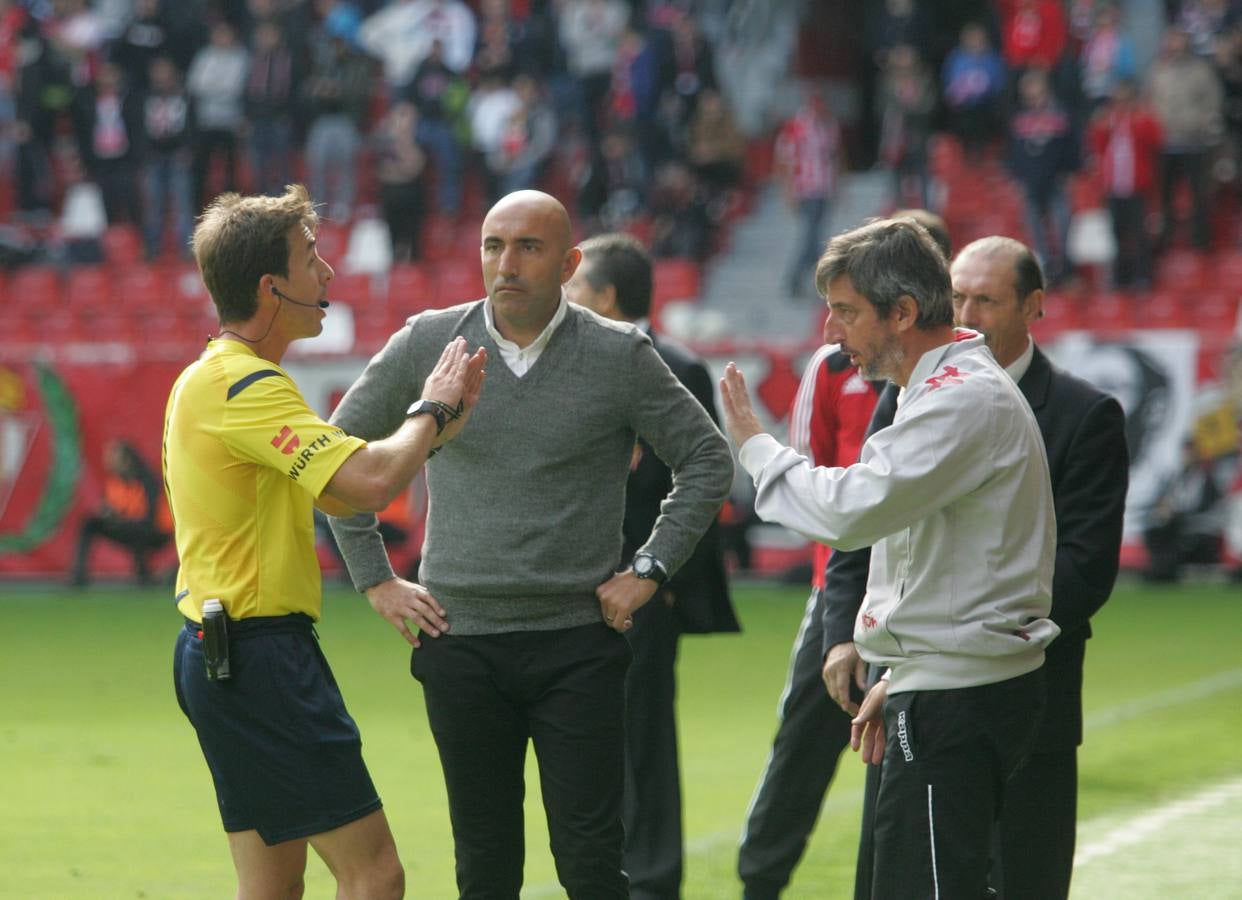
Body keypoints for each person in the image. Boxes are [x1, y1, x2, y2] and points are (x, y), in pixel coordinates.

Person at [327, 189, 734, 897]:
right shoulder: (430, 340)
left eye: (528, 247)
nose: (505, 263)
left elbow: (708, 459)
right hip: (460, 640)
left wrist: (649, 567)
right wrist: (375, 579)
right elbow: (334, 456)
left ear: (570, 261)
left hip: (578, 641)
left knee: (590, 864)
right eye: (493, 245)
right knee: (484, 866)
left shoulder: (619, 354)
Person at [719, 217, 1058, 899]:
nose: (831, 333)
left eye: (846, 312)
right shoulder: (941, 388)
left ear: (903, 312)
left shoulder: (959, 398)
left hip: (959, 700)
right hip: (946, 685)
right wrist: (902, 674)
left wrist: (756, 447)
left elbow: (851, 512)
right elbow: (916, 550)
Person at [165, 184, 486, 900]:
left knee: (272, 884)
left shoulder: (209, 378)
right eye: (312, 259)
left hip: (216, 656)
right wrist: (431, 405)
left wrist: (434, 432)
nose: (329, 275)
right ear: (270, 286)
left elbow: (340, 488)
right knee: (375, 876)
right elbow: (369, 481)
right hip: (260, 660)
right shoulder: (245, 387)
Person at [738, 210, 949, 900]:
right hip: (842, 587)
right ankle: (759, 882)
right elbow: (817, 483)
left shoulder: (952, 389)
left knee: (900, 766)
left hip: (920, 599)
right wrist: (838, 612)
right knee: (803, 742)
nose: (838, 328)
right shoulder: (832, 370)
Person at [948, 235, 1129, 899]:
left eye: (986, 300)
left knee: (1028, 878)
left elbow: (1084, 569)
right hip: (923, 695)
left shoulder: (1087, 416)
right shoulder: (906, 398)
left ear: (1034, 307)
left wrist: (972, 634)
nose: (966, 314)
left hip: (1034, 695)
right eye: (957, 296)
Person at [565, 232, 740, 900]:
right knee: (588, 749)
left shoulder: (673, 364)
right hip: (573, 593)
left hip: (641, 591)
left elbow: (691, 482)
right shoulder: (571, 361)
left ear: (607, 296)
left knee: (643, 744)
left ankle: (654, 884)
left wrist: (658, 581)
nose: (568, 296)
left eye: (578, 286)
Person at [71, 438, 167, 587]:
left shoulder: (147, 481)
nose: (110, 462)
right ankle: (78, 575)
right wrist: (109, 515)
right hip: (128, 526)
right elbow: (112, 507)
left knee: (139, 530)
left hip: (156, 531)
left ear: (127, 460)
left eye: (115, 458)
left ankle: (144, 575)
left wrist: (121, 519)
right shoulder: (115, 481)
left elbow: (150, 516)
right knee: (90, 523)